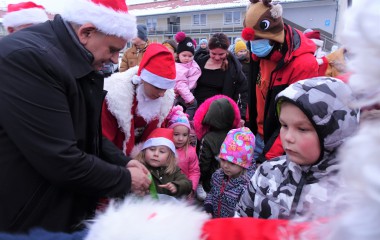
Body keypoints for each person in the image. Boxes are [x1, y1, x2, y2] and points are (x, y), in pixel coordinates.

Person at [0, 0, 150, 233]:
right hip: (26, 218)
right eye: (112, 49)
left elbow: (84, 132)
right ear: (86, 33)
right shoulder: (32, 59)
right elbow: (59, 157)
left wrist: (123, 162)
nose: (114, 60)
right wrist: (125, 179)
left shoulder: (70, 58)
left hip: (50, 209)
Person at [235, 77, 359, 219]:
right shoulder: (266, 173)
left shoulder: (353, 196)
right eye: (284, 125)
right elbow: (240, 221)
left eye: (302, 129)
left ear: (334, 133)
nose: (288, 137)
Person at [241, 0, 319, 162]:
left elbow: (297, 119)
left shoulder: (303, 64)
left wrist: (270, 157)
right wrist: (248, 128)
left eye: (258, 40)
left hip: (280, 145)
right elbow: (254, 96)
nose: (254, 46)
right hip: (257, 135)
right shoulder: (260, 56)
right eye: (252, 41)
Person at [101, 43, 176, 157]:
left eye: (165, 89)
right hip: (116, 158)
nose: (161, 94)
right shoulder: (114, 98)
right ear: (143, 79)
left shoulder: (165, 99)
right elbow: (104, 139)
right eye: (157, 87)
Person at [193, 95, 241, 200]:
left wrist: (200, 180)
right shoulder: (235, 135)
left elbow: (203, 165)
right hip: (232, 181)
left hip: (211, 183)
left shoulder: (208, 139)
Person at [194, 32, 248, 122]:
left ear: (227, 51)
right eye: (213, 54)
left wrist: (241, 115)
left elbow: (242, 92)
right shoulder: (199, 62)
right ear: (209, 50)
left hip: (221, 115)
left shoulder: (233, 68)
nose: (217, 57)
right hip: (199, 112)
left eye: (221, 54)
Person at [204, 127, 256, 218]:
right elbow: (212, 193)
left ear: (243, 164)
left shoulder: (247, 186)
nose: (225, 166)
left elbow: (244, 212)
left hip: (232, 226)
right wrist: (209, 206)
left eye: (232, 163)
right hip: (216, 220)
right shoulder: (218, 175)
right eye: (223, 160)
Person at [134, 128, 193, 198]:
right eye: (152, 149)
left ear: (169, 156)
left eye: (162, 151)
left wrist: (176, 186)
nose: (156, 154)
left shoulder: (173, 170)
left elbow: (187, 184)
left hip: (166, 207)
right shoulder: (138, 168)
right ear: (144, 151)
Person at [166, 105, 200, 198]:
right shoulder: (164, 149)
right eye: (176, 134)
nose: (180, 139)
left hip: (184, 192)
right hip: (166, 191)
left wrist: (191, 188)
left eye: (184, 135)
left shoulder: (191, 152)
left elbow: (194, 172)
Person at [173, 31, 201, 120]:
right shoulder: (179, 67)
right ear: (178, 55)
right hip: (182, 93)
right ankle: (187, 121)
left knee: (179, 108)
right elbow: (180, 84)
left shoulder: (191, 64)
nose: (187, 58)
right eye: (184, 55)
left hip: (188, 90)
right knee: (193, 105)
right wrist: (189, 98)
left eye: (190, 56)